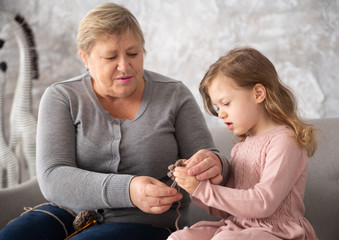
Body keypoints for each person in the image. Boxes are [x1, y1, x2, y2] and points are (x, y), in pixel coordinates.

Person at [0, 3, 230, 240]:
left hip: (147, 224)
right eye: (111, 56)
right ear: (85, 58)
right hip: (68, 213)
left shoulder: (174, 95)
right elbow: (52, 177)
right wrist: (129, 190)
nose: (125, 66)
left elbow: (212, 160)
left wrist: (215, 164)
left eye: (133, 53)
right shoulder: (62, 97)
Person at [168, 47, 318, 240]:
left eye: (226, 103)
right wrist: (194, 185)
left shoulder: (284, 141)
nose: (220, 114)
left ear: (258, 93)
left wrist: (203, 190)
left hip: (278, 232)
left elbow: (264, 202)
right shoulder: (240, 148)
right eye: (217, 107)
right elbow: (227, 210)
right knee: (179, 238)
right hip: (237, 228)